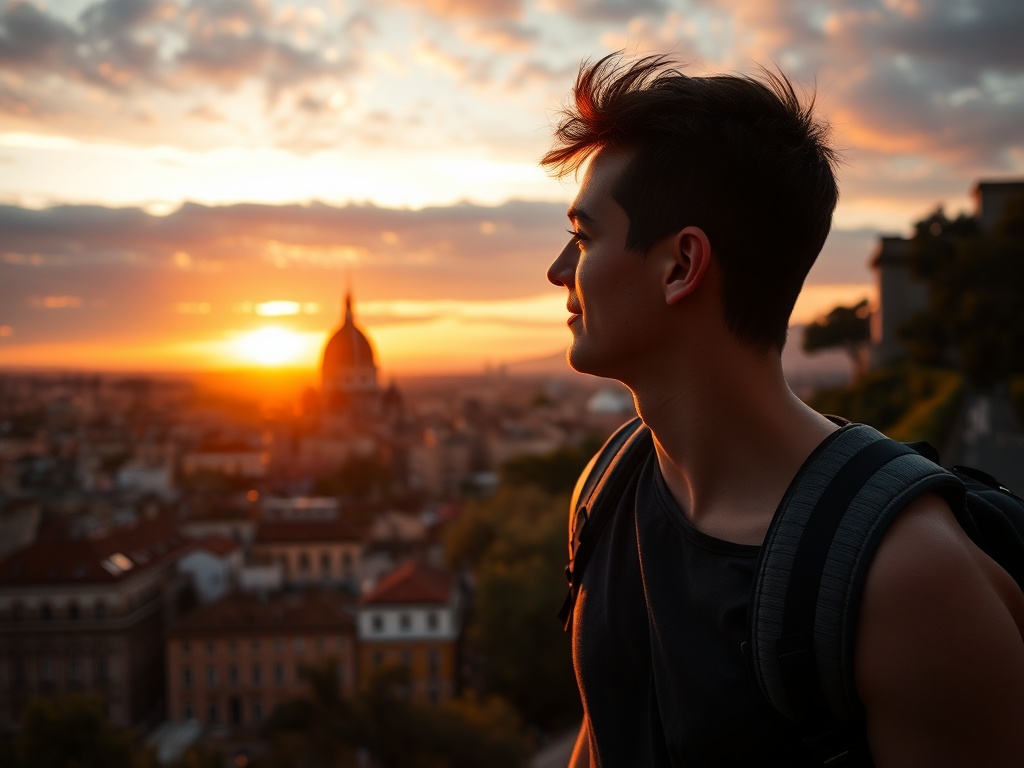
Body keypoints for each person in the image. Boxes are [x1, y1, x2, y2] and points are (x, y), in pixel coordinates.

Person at [543, 53, 1024, 767]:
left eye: (583, 237)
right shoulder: (606, 488)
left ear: (680, 266)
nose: (558, 271)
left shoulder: (908, 581)